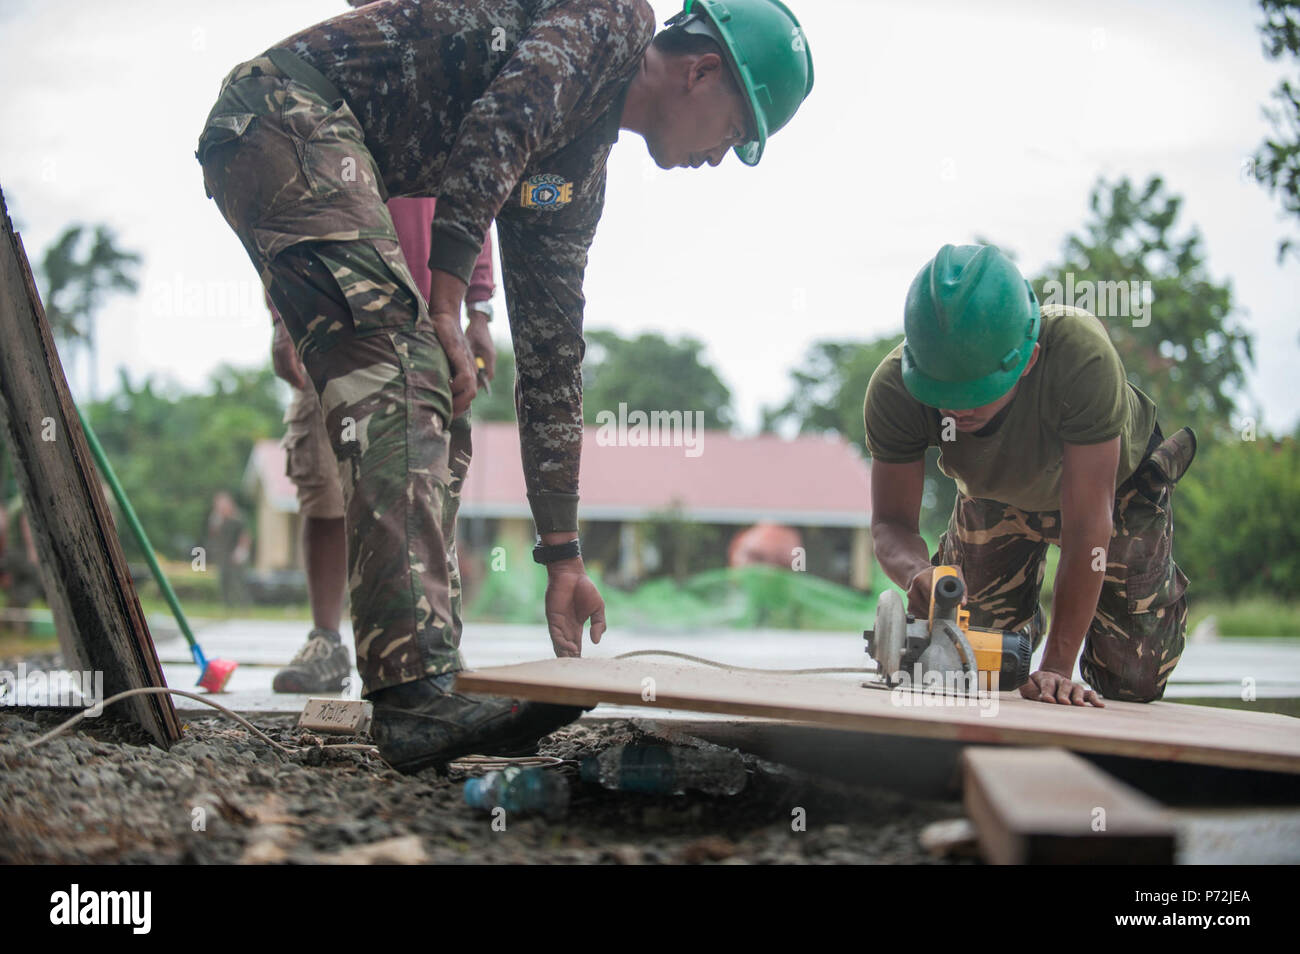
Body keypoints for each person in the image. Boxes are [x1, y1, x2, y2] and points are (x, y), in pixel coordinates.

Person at [197, 0, 813, 771]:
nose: (722, 156)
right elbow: (503, 121)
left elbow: (553, 361)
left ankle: (430, 679)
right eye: (735, 131)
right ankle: (415, 692)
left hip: (308, 139)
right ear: (702, 71)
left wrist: (565, 557)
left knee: (439, 404)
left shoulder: (571, 178)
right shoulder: (613, 18)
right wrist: (449, 303)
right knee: (407, 373)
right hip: (286, 112)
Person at [865, 244, 1196, 707]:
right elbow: (890, 526)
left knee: (1131, 681)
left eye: (976, 391)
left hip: (1113, 491)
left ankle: (1078, 635)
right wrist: (918, 573)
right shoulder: (893, 389)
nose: (956, 408)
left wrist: (1058, 667)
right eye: (941, 391)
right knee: (972, 663)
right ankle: (1019, 620)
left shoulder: (1081, 357)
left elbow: (1086, 529)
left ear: (1029, 359)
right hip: (994, 492)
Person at [267, 200, 498, 694]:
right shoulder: (337, 123)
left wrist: (479, 311)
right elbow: (284, 210)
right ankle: (326, 641)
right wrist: (281, 317)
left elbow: (477, 210)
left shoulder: (463, 131)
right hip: (333, 317)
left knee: (430, 495)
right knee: (324, 491)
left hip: (432, 321)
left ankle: (435, 651)